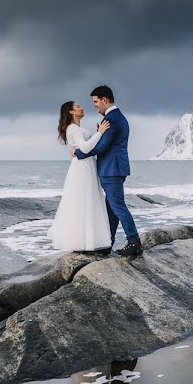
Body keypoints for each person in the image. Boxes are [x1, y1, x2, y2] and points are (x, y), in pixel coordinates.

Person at [70, 85, 143, 257]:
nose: (95, 106)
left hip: (112, 169)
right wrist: (100, 133)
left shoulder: (112, 119)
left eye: (96, 102)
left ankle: (134, 241)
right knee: (111, 208)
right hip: (116, 167)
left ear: (105, 100)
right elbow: (109, 142)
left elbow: (102, 147)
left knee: (117, 206)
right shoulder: (117, 117)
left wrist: (78, 153)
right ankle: (107, 244)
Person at [46, 101, 113, 252]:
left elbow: (84, 145)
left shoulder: (77, 128)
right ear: (71, 112)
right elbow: (85, 147)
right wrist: (100, 132)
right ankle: (83, 241)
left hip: (86, 166)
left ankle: (88, 240)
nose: (81, 108)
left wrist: (97, 135)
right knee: (84, 201)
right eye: (77, 107)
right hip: (82, 168)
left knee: (88, 201)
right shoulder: (73, 129)